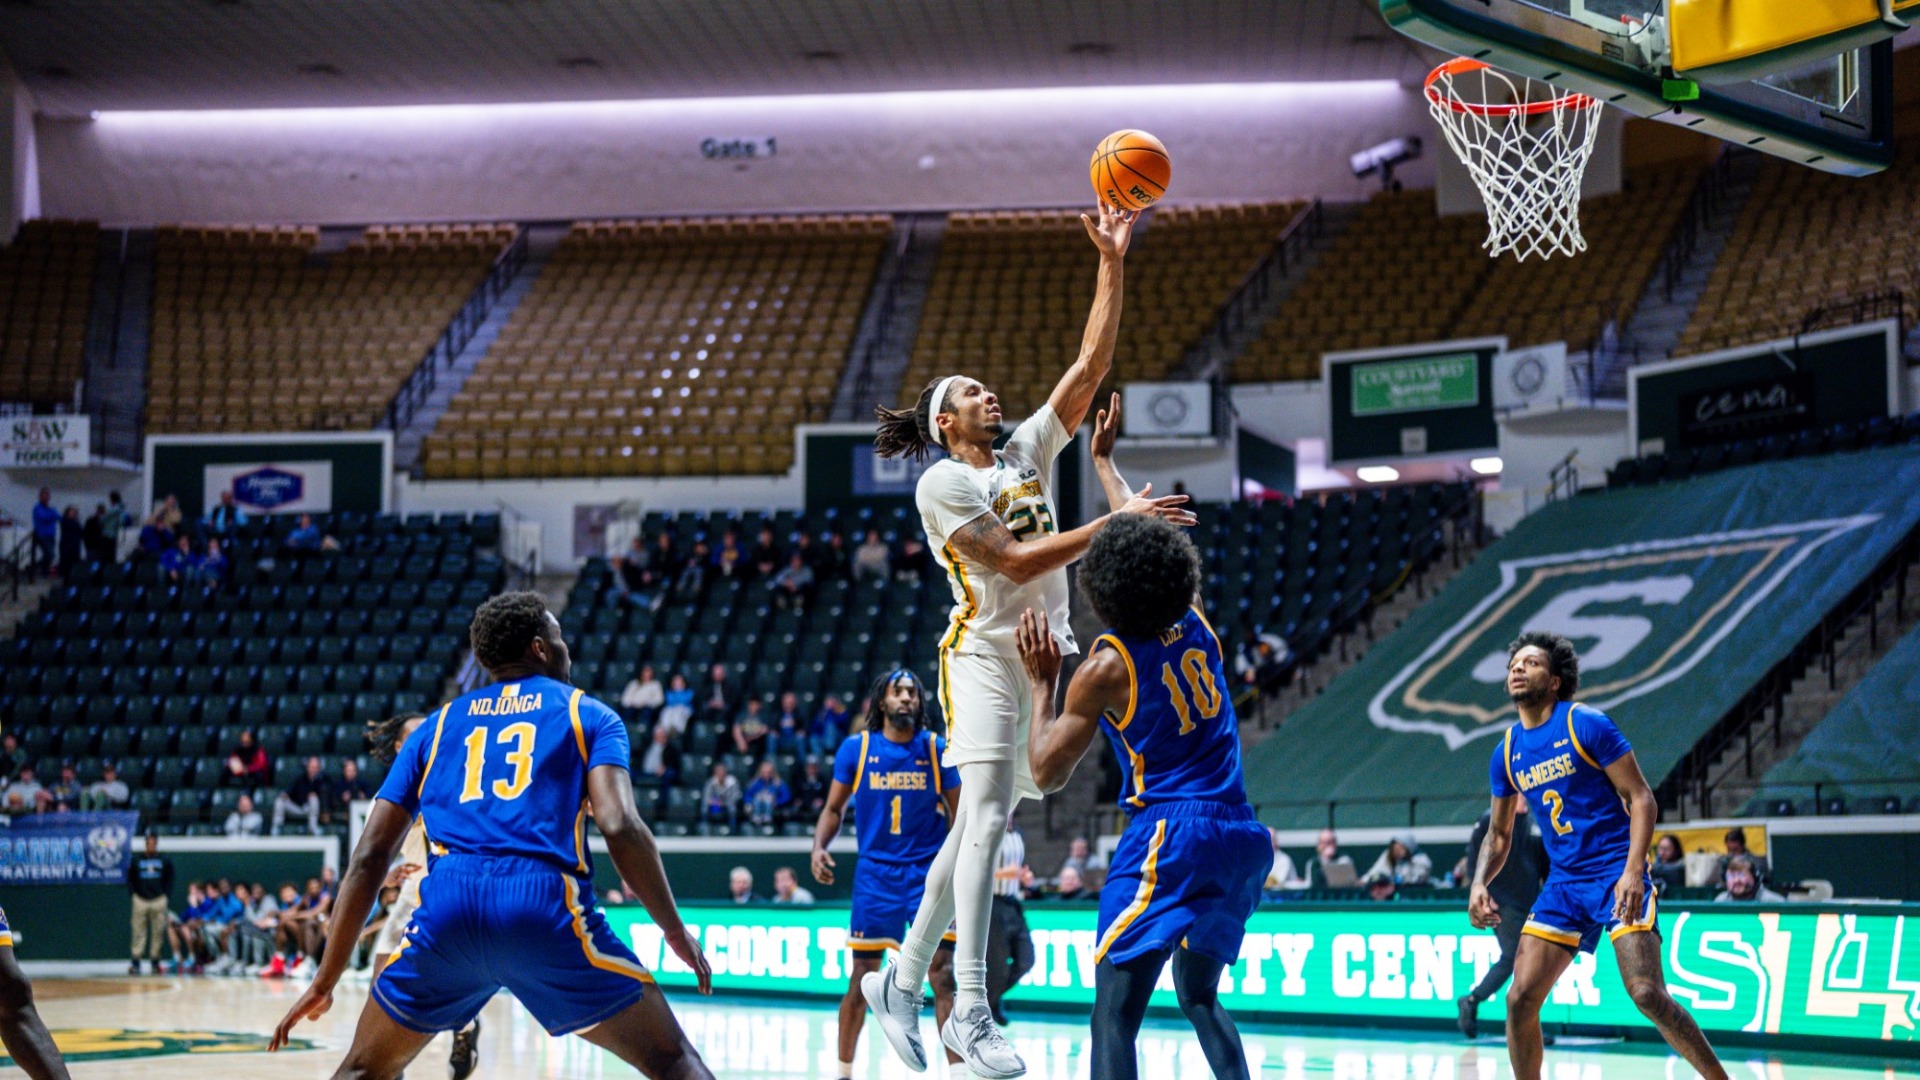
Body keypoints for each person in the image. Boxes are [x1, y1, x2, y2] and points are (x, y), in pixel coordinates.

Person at [864, 203, 1193, 1080]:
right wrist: (1113, 521)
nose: (988, 394)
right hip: (981, 654)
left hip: (1038, 652)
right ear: (944, 421)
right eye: (969, 391)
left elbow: (1088, 369)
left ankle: (898, 981)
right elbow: (1008, 561)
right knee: (982, 824)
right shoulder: (943, 481)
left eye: (986, 388)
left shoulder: (1019, 458)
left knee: (974, 831)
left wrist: (1113, 263)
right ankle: (967, 1007)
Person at [268, 591, 716, 1077]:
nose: (566, 648)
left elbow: (369, 856)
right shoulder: (589, 714)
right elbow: (620, 825)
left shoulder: (433, 729)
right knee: (674, 1061)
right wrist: (672, 928)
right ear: (541, 649)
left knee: (361, 1070)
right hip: (541, 907)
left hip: (447, 912)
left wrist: (325, 978)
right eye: (559, 638)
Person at [1017, 427, 1267, 1080]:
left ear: (1103, 586)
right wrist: (1104, 465)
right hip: (1241, 832)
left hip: (1171, 833)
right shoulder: (1197, 614)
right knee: (1200, 995)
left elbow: (1044, 772)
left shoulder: (1104, 666)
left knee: (1113, 1013)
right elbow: (1142, 546)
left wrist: (1042, 686)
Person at [1470, 632, 1729, 1080]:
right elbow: (1498, 833)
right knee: (1519, 999)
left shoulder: (1585, 723)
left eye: (1530, 663)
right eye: (1514, 663)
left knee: (1647, 994)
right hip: (1564, 884)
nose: (1517, 668)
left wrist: (1633, 870)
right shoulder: (1507, 751)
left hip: (1615, 871)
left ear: (1554, 681)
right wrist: (1478, 884)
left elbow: (1642, 798)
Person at [810, 669, 964, 1080]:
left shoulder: (935, 748)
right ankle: (843, 1072)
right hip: (876, 875)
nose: (907, 699)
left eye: (913, 692)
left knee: (943, 976)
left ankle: (959, 1074)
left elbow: (960, 815)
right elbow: (833, 809)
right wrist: (818, 847)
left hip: (928, 876)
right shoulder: (856, 749)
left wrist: (959, 867)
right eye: (898, 692)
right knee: (862, 978)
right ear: (882, 702)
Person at [362, 711, 481, 1079]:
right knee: (380, 979)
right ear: (400, 747)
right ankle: (387, 1064)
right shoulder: (387, 797)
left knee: (451, 988)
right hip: (414, 892)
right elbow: (368, 862)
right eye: (414, 737)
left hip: (452, 895)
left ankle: (466, 1030)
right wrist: (388, 874)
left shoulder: (457, 783)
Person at [1457, 801, 1548, 1039]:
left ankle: (1525, 1024)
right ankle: (1473, 1000)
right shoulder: (1492, 818)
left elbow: (1545, 864)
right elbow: (1475, 855)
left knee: (1531, 964)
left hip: (1529, 902)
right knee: (1514, 957)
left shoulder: (1535, 821)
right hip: (1502, 901)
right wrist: (1482, 888)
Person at [986, 818, 1034, 1027]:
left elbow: (1020, 866)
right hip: (992, 904)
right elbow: (975, 870)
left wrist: (1025, 875)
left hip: (1013, 902)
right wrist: (1003, 873)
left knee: (1026, 960)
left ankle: (988, 1000)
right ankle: (989, 1005)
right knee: (997, 968)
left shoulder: (1018, 834)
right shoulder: (987, 833)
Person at [128, 834, 174, 976]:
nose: (151, 845)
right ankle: (136, 962)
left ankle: (155, 962)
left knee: (158, 932)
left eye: (154, 842)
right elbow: (130, 879)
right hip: (140, 900)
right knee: (138, 932)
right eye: (149, 842)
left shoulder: (164, 860)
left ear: (157, 843)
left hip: (159, 900)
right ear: (146, 843)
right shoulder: (136, 860)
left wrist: (165, 895)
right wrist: (134, 895)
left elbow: (170, 879)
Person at [273, 756, 333, 835]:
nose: (314, 770)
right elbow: (290, 790)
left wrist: (315, 794)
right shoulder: (301, 778)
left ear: (319, 769)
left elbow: (326, 797)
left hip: (309, 809)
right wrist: (285, 794)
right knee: (279, 801)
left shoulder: (324, 780)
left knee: (313, 799)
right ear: (307, 767)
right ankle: (277, 828)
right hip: (296, 807)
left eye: (316, 767)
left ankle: (312, 829)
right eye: (312, 767)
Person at [1362, 833, 1433, 887]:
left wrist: (1393, 881)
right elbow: (1376, 871)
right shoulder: (1387, 855)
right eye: (1394, 848)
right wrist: (1364, 880)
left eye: (1400, 848)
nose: (1397, 852)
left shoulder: (1422, 860)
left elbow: (1415, 881)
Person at [1715, 855, 1784, 903]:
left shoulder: (1774, 902)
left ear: (1754, 877)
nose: (1736, 880)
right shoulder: (1721, 901)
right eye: (1731, 876)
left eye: (1741, 875)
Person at [744, 760, 791, 827]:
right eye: (764, 773)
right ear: (760, 772)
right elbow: (747, 795)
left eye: (769, 773)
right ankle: (756, 817)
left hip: (772, 804)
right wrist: (751, 801)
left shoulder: (778, 782)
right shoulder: (754, 782)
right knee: (757, 800)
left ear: (772, 772)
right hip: (757, 803)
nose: (767, 775)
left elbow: (786, 795)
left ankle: (767, 818)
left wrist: (777, 802)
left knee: (768, 801)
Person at [1262, 829, 1307, 898]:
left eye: (1272, 840)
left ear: (1276, 842)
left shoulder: (1284, 859)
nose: (1269, 843)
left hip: (1286, 897)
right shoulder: (1259, 858)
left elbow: (1276, 883)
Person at [701, 762, 742, 831]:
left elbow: (737, 796)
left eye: (722, 773)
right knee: (704, 808)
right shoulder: (710, 783)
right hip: (714, 804)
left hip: (727, 804)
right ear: (715, 774)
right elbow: (706, 797)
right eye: (718, 773)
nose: (721, 775)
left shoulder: (732, 782)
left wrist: (724, 802)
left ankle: (732, 830)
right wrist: (714, 801)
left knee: (732, 809)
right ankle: (706, 829)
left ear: (725, 774)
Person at [731, 698, 771, 763]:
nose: (753, 706)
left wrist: (750, 738)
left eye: (756, 704)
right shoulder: (742, 715)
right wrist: (741, 741)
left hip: (756, 742)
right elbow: (736, 728)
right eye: (752, 704)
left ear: (759, 705)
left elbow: (764, 730)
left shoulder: (763, 716)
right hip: (742, 741)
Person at [791, 757, 830, 821]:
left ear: (818, 768)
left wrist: (822, 801)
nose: (812, 770)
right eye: (810, 767)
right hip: (803, 805)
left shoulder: (823, 780)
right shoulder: (800, 780)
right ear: (806, 768)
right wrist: (797, 800)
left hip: (817, 806)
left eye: (814, 767)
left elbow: (827, 794)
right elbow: (795, 793)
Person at [30, 488, 56, 576]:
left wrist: (52, 515)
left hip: (50, 534)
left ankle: (44, 571)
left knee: (49, 555)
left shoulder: (50, 508)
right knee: (50, 554)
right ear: (40, 497)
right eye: (44, 496)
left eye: (47, 496)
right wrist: (51, 515)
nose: (46, 498)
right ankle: (34, 567)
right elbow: (43, 518)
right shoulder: (37, 508)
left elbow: (58, 517)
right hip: (41, 534)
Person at [101, 490, 129, 562]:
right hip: (114, 535)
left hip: (110, 535)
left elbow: (104, 520)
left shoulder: (115, 509)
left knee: (108, 556)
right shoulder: (121, 509)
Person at [55, 505, 83, 579]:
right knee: (66, 562)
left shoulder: (76, 522)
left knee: (74, 562)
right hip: (67, 545)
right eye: (72, 512)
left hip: (75, 545)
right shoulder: (65, 521)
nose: (74, 514)